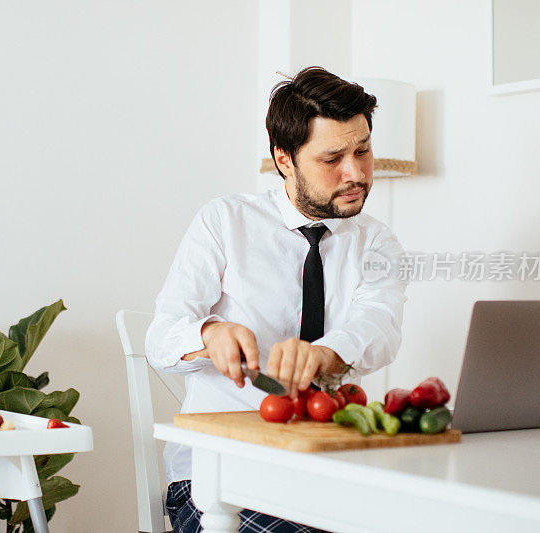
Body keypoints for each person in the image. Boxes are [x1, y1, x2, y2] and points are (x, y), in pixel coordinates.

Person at [146, 66, 409, 532]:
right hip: (217, 473)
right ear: (284, 160)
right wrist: (209, 333)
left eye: (363, 151)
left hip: (326, 462)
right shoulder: (225, 221)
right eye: (333, 159)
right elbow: (162, 335)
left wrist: (327, 352)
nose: (356, 173)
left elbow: (379, 327)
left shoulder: (377, 241)